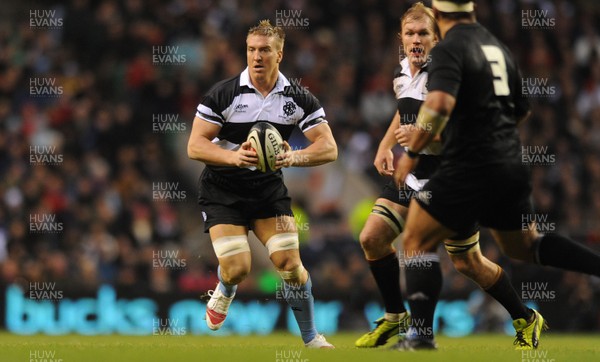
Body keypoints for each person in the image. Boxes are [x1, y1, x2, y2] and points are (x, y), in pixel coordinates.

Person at [394, 0, 600, 351]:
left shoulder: (448, 49)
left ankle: (422, 338)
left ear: (440, 18)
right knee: (526, 246)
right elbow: (521, 109)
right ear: (471, 11)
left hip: (467, 168)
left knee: (414, 240)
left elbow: (439, 105)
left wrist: (413, 152)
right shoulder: (496, 47)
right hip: (508, 164)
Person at [357, 2, 540, 351]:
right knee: (372, 238)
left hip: (452, 178)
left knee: (468, 263)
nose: (416, 39)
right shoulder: (402, 72)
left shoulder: (450, 74)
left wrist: (427, 140)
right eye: (409, 33)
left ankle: (525, 318)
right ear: (401, 37)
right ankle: (398, 319)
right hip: (413, 177)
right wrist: (385, 145)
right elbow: (404, 113)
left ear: (437, 36)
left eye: (423, 33)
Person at [187, 19, 337, 348]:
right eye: (251, 50)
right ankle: (224, 290)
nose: (257, 57)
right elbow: (195, 145)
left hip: (268, 190)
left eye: (265, 50)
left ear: (279, 54)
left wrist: (293, 157)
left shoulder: (298, 98)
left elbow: (329, 147)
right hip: (222, 189)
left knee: (291, 266)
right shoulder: (223, 94)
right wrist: (233, 157)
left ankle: (311, 338)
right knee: (239, 268)